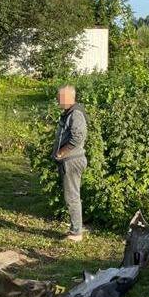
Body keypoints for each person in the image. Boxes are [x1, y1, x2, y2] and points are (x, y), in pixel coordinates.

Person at [53, 85, 88, 241]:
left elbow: (77, 136)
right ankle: (76, 228)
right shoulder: (69, 113)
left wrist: (62, 152)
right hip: (70, 160)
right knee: (72, 195)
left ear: (69, 98)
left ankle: (76, 233)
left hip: (72, 160)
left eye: (60, 97)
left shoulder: (76, 114)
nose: (58, 99)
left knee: (72, 196)